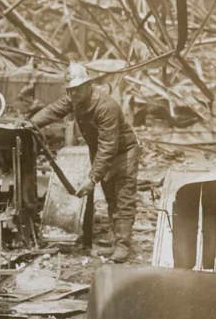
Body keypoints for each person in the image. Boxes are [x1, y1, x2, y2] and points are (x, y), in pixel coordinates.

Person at [31, 63, 139, 262]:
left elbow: (108, 146)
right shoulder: (76, 100)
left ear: (88, 85)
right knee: (111, 199)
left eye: (77, 89)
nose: (73, 94)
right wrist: (30, 123)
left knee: (123, 199)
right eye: (70, 90)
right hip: (105, 153)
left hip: (123, 154)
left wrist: (92, 178)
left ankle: (123, 247)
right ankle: (117, 244)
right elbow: (54, 110)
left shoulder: (106, 107)